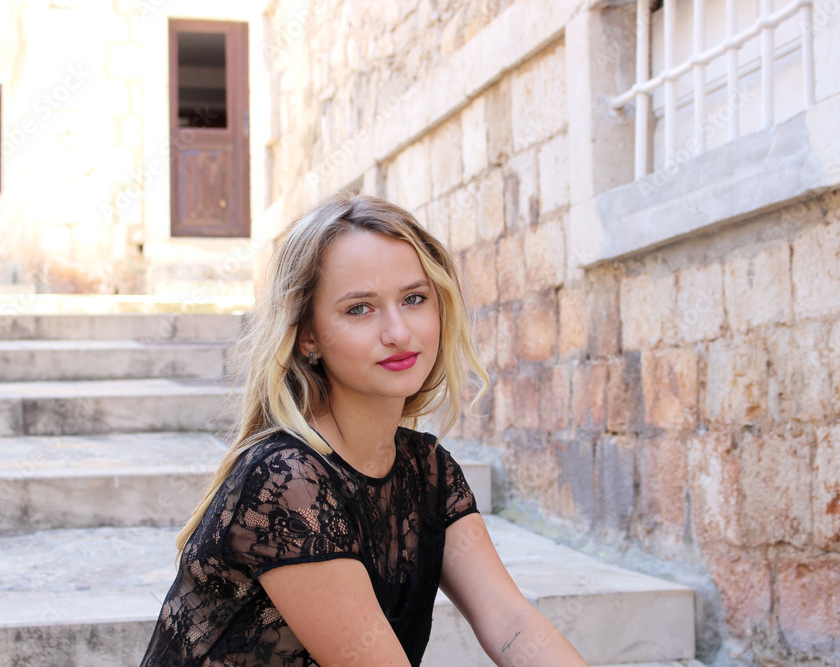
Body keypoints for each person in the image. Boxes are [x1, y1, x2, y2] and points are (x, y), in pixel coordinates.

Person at [140, 194, 589, 666]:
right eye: (360, 309)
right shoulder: (287, 483)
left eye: (414, 299)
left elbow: (510, 623)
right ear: (307, 335)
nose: (398, 332)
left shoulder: (427, 469)